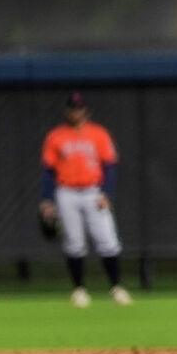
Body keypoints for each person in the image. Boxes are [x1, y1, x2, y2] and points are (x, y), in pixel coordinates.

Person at [39, 93, 133, 307]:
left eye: (79, 108)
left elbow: (109, 166)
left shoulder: (99, 134)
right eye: (72, 108)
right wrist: (46, 200)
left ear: (86, 111)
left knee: (108, 240)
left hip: (93, 191)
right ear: (67, 111)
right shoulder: (56, 136)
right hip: (66, 192)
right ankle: (79, 289)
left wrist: (106, 193)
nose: (76, 112)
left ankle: (116, 287)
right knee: (74, 243)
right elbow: (48, 170)